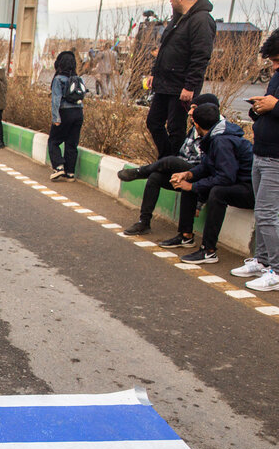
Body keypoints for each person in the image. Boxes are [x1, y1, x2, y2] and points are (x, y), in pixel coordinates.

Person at [118, 92, 220, 236]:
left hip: (199, 175)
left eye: (194, 108)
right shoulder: (195, 129)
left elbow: (213, 170)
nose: (190, 112)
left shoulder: (217, 135)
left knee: (171, 160)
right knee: (155, 177)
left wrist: (200, 202)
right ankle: (144, 222)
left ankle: (140, 172)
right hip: (185, 172)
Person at [166, 103, 255, 264]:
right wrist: (188, 174)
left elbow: (226, 177)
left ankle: (209, 250)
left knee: (217, 193)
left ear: (196, 125)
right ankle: (185, 236)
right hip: (240, 183)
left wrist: (192, 187)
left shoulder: (222, 141)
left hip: (252, 190)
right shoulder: (216, 134)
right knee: (189, 181)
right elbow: (208, 165)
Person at [232, 29, 279, 290]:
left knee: (267, 214)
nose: (273, 66)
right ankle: (262, 261)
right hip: (261, 151)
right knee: (262, 214)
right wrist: (258, 109)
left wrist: (274, 106)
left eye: (276, 60)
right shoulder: (276, 77)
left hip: (276, 158)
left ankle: (277, 270)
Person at [145, 0, 216, 159]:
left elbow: (201, 56)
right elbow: (164, 50)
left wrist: (190, 85)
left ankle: (173, 164)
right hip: (164, 83)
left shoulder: (202, 20)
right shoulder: (177, 19)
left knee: (176, 129)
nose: (170, 0)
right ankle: (166, 160)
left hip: (181, 87)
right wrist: (155, 73)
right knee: (154, 122)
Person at [48, 51, 84, 182]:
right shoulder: (79, 79)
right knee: (71, 143)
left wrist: (56, 118)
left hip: (65, 113)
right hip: (78, 113)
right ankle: (70, 173)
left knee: (53, 141)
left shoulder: (58, 79)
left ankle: (58, 167)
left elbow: (56, 100)